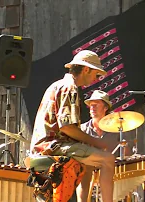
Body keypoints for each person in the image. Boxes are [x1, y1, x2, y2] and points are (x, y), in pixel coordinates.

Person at [30, 50, 115, 202]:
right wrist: (96, 142)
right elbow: (67, 127)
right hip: (53, 146)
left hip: (46, 145)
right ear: (86, 69)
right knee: (108, 159)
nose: (96, 79)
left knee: (87, 164)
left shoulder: (57, 85)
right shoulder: (70, 88)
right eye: (96, 75)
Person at [77, 90, 130, 201]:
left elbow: (126, 154)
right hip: (89, 169)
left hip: (112, 170)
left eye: (96, 105)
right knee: (82, 169)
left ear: (105, 108)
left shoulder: (115, 130)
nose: (92, 107)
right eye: (91, 105)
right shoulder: (82, 129)